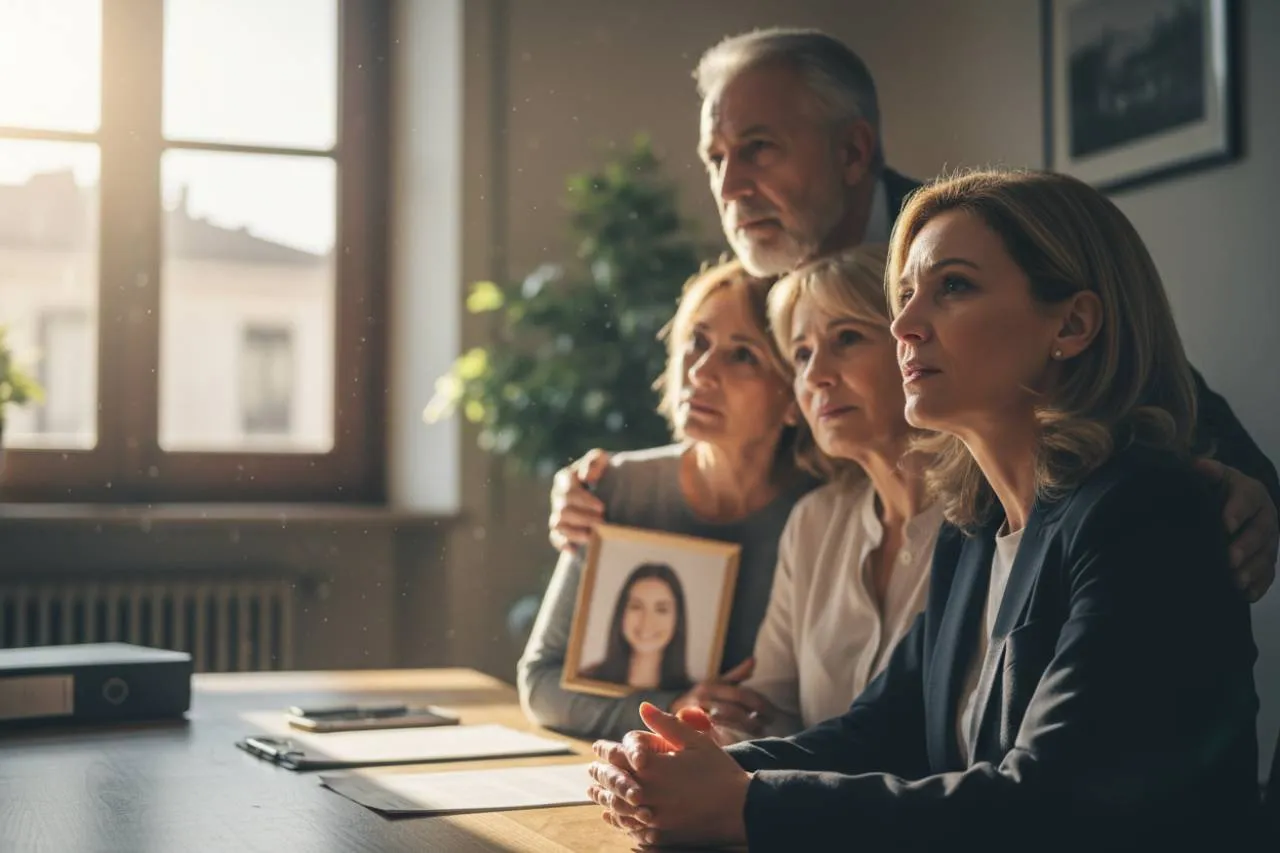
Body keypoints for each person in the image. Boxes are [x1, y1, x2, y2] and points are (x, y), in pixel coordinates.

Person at [586, 169, 1262, 850]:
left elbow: (1049, 803)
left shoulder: (1145, 514)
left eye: (954, 287)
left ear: (1074, 322)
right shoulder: (973, 529)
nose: (904, 324)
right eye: (905, 296)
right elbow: (883, 729)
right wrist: (691, 773)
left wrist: (746, 804)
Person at [549, 27, 1278, 601]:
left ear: (854, 150)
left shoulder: (970, 238)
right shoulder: (749, 291)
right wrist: (601, 489)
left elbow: (1151, 383)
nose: (729, 185)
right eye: (715, 158)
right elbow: (727, 455)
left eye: (759, 149)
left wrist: (1248, 489)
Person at [517, 258, 817, 741]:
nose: (701, 370)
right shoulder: (616, 486)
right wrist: (673, 708)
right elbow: (542, 684)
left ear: (793, 398)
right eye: (696, 342)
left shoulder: (823, 514)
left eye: (742, 355)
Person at [579, 562, 691, 691]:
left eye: (661, 609)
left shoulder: (695, 696)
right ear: (622, 612)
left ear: (677, 619)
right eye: (636, 607)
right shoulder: (585, 679)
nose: (647, 621)